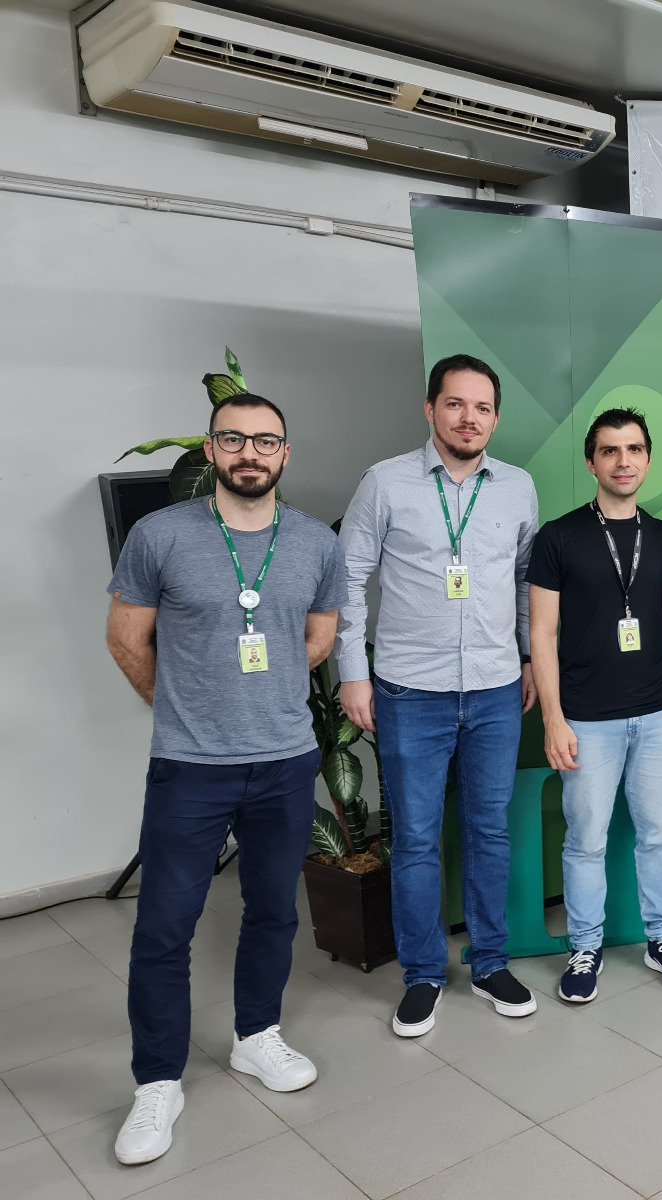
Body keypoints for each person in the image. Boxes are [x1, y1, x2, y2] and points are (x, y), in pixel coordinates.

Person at [105, 394, 345, 1165]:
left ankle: (256, 1035)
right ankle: (157, 1082)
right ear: (210, 451)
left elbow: (318, 637)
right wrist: (185, 706)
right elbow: (127, 639)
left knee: (273, 911)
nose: (250, 453)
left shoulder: (314, 542)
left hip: (285, 761)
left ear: (285, 454)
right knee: (163, 928)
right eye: (234, 439)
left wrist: (260, 696)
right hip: (190, 768)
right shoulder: (160, 535)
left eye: (266, 441)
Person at [337, 354, 541, 1035]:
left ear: (495, 419)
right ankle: (423, 973)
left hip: (495, 689)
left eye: (482, 408)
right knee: (418, 839)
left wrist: (529, 659)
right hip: (409, 691)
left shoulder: (517, 487)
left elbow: (524, 584)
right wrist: (353, 673)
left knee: (489, 831)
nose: (468, 418)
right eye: (455, 404)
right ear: (431, 410)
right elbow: (348, 579)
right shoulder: (385, 482)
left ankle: (489, 963)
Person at [528, 408, 662, 1002]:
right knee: (586, 841)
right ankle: (585, 947)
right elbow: (542, 632)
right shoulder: (558, 537)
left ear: (647, 459)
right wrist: (553, 717)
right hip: (586, 718)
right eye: (610, 450)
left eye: (634, 450)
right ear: (591, 462)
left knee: (658, 836)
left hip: (657, 714)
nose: (623, 461)